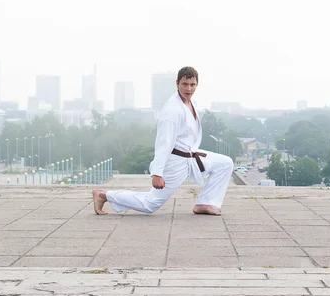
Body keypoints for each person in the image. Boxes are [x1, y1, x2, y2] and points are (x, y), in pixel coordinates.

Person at [92, 66, 233, 216]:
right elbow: (163, 143)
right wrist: (157, 173)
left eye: (192, 85)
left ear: (197, 85)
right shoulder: (173, 110)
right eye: (185, 84)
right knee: (149, 204)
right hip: (175, 161)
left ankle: (206, 203)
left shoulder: (188, 103)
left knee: (224, 163)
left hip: (191, 156)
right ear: (177, 83)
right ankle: (104, 195)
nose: (189, 89)